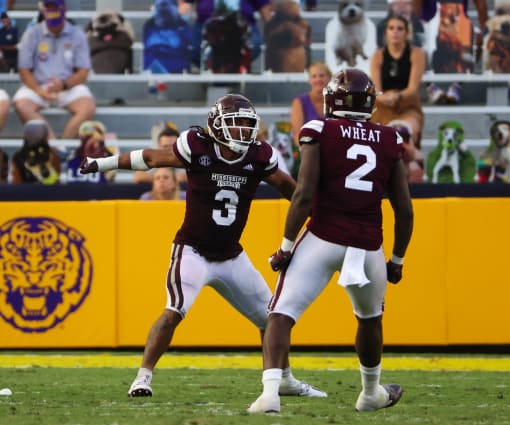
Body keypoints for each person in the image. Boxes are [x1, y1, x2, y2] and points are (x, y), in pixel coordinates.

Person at [79, 93, 326, 399]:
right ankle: (142, 378)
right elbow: (153, 158)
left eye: (248, 126)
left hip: (231, 255)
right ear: (218, 127)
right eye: (236, 125)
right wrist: (102, 163)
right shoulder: (198, 147)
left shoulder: (259, 155)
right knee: (174, 311)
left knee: (272, 317)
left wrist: (323, 213)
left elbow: (290, 188)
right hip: (192, 250)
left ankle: (283, 379)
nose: (244, 132)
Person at [247, 68, 414, 414]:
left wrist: (286, 247)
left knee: (280, 313)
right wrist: (397, 259)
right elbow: (404, 209)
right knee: (369, 319)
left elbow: (304, 194)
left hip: (323, 236)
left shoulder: (319, 129)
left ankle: (270, 394)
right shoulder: (389, 137)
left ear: (332, 99)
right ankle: (370, 393)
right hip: (367, 244)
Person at [13, 0, 96, 140]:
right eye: (48, 7)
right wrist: (40, 91)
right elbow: (24, 70)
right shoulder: (32, 33)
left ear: (64, 9)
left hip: (68, 85)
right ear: (43, 10)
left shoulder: (77, 34)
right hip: (38, 86)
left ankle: (64, 143)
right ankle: (53, 147)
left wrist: (63, 85)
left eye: (55, 7)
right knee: (22, 104)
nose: (52, 11)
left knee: (87, 107)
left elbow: (83, 71)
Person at [370, 15, 425, 149]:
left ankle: (412, 163)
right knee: (381, 139)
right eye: (391, 28)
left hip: (407, 105)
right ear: (386, 32)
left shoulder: (417, 54)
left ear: (406, 33)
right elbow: (377, 90)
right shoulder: (377, 56)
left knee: (405, 132)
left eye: (400, 29)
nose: (395, 32)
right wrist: (385, 98)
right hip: (383, 105)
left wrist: (397, 96)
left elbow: (412, 88)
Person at [289, 61, 331, 176]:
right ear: (309, 80)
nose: (318, 79)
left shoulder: (335, 101)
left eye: (321, 75)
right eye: (314, 76)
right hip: (309, 155)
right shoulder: (299, 102)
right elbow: (298, 135)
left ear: (329, 77)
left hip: (334, 154)